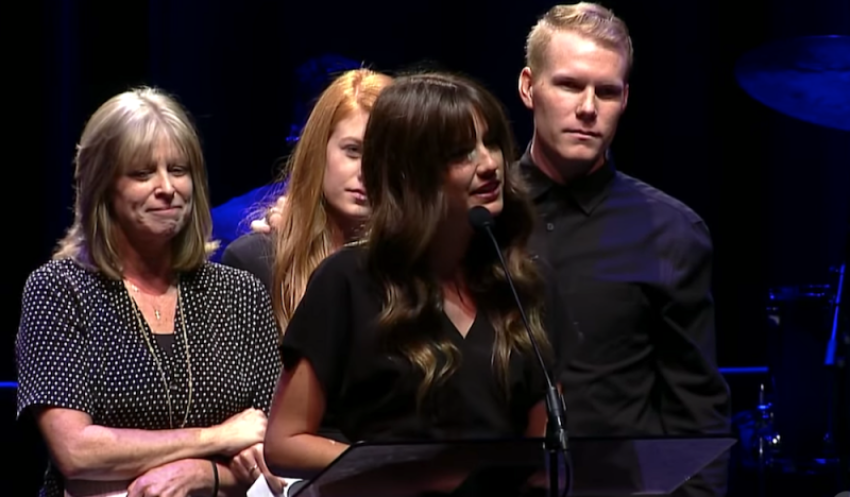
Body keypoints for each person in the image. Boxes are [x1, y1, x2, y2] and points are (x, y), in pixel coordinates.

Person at [262, 72, 573, 479]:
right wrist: (406, 467)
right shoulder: (348, 281)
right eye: (462, 152)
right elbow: (286, 443)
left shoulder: (527, 285)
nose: (490, 164)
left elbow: (544, 459)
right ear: (411, 171)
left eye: (492, 143)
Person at [15, 87, 285, 497]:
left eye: (178, 170)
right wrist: (214, 439)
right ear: (104, 188)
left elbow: (271, 448)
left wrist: (203, 474)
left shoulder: (240, 292)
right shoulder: (59, 289)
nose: (166, 187)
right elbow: (75, 451)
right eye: (142, 174)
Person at [517, 3, 731, 496]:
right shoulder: (480, 217)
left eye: (606, 91)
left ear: (625, 98)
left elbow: (698, 415)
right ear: (529, 87)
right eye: (569, 85)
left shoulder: (671, 232)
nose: (588, 108)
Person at [221, 68, 393, 334]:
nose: (365, 172)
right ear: (318, 150)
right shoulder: (254, 262)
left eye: (382, 157)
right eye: (352, 150)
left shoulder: (415, 269)